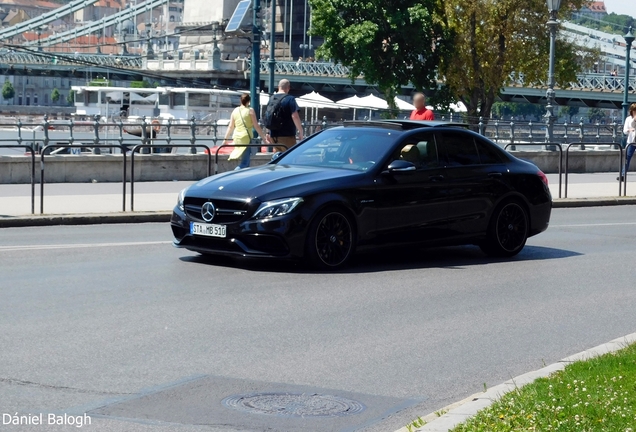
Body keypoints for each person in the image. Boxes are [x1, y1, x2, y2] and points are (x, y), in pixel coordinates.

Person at [224, 93, 269, 170]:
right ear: (249, 101)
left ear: (240, 101)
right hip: (246, 138)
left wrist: (225, 140)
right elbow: (256, 126)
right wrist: (264, 139)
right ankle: (234, 173)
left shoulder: (235, 110)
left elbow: (230, 126)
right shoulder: (250, 111)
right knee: (245, 162)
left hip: (237, 137)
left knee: (246, 162)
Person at [266, 79, 304, 153]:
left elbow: (268, 116)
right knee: (290, 159)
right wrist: (301, 131)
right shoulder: (290, 99)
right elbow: (295, 116)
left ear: (278, 87)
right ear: (288, 88)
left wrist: (268, 132)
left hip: (274, 136)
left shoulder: (271, 99)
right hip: (287, 136)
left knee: (278, 160)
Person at [619, 103, 636, 181]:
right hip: (631, 142)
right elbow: (625, 131)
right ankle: (623, 175)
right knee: (627, 158)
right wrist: (629, 130)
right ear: (631, 111)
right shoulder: (628, 119)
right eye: (634, 111)